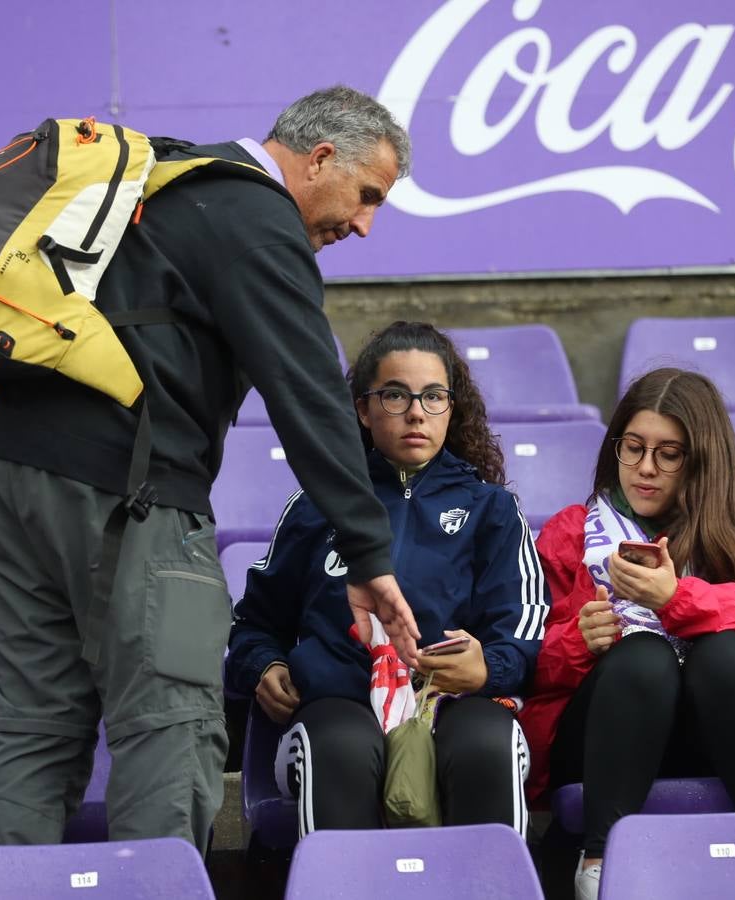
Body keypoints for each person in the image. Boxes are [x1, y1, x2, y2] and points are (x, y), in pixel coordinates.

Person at [0, 86, 420, 855]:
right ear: (320, 157)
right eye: (367, 196)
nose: (362, 225)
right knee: (173, 722)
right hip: (124, 491)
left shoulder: (164, 179)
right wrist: (367, 550)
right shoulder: (256, 216)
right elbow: (309, 395)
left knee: (33, 723)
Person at [226, 321, 546, 837]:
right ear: (362, 409)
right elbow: (255, 623)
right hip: (339, 700)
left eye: (434, 396)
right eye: (395, 395)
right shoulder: (316, 508)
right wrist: (264, 663)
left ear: (451, 408)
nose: (416, 412)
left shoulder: (494, 511)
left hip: (456, 700)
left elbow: (526, 629)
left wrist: (488, 668)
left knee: (486, 747)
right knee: (341, 750)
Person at [516, 367, 735, 900]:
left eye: (668, 454)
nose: (645, 469)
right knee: (645, 658)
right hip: (606, 733)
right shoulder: (571, 532)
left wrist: (675, 600)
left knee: (725, 652)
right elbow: (522, 660)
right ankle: (600, 863)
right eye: (632, 448)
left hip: (716, 728)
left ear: (701, 460)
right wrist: (576, 642)